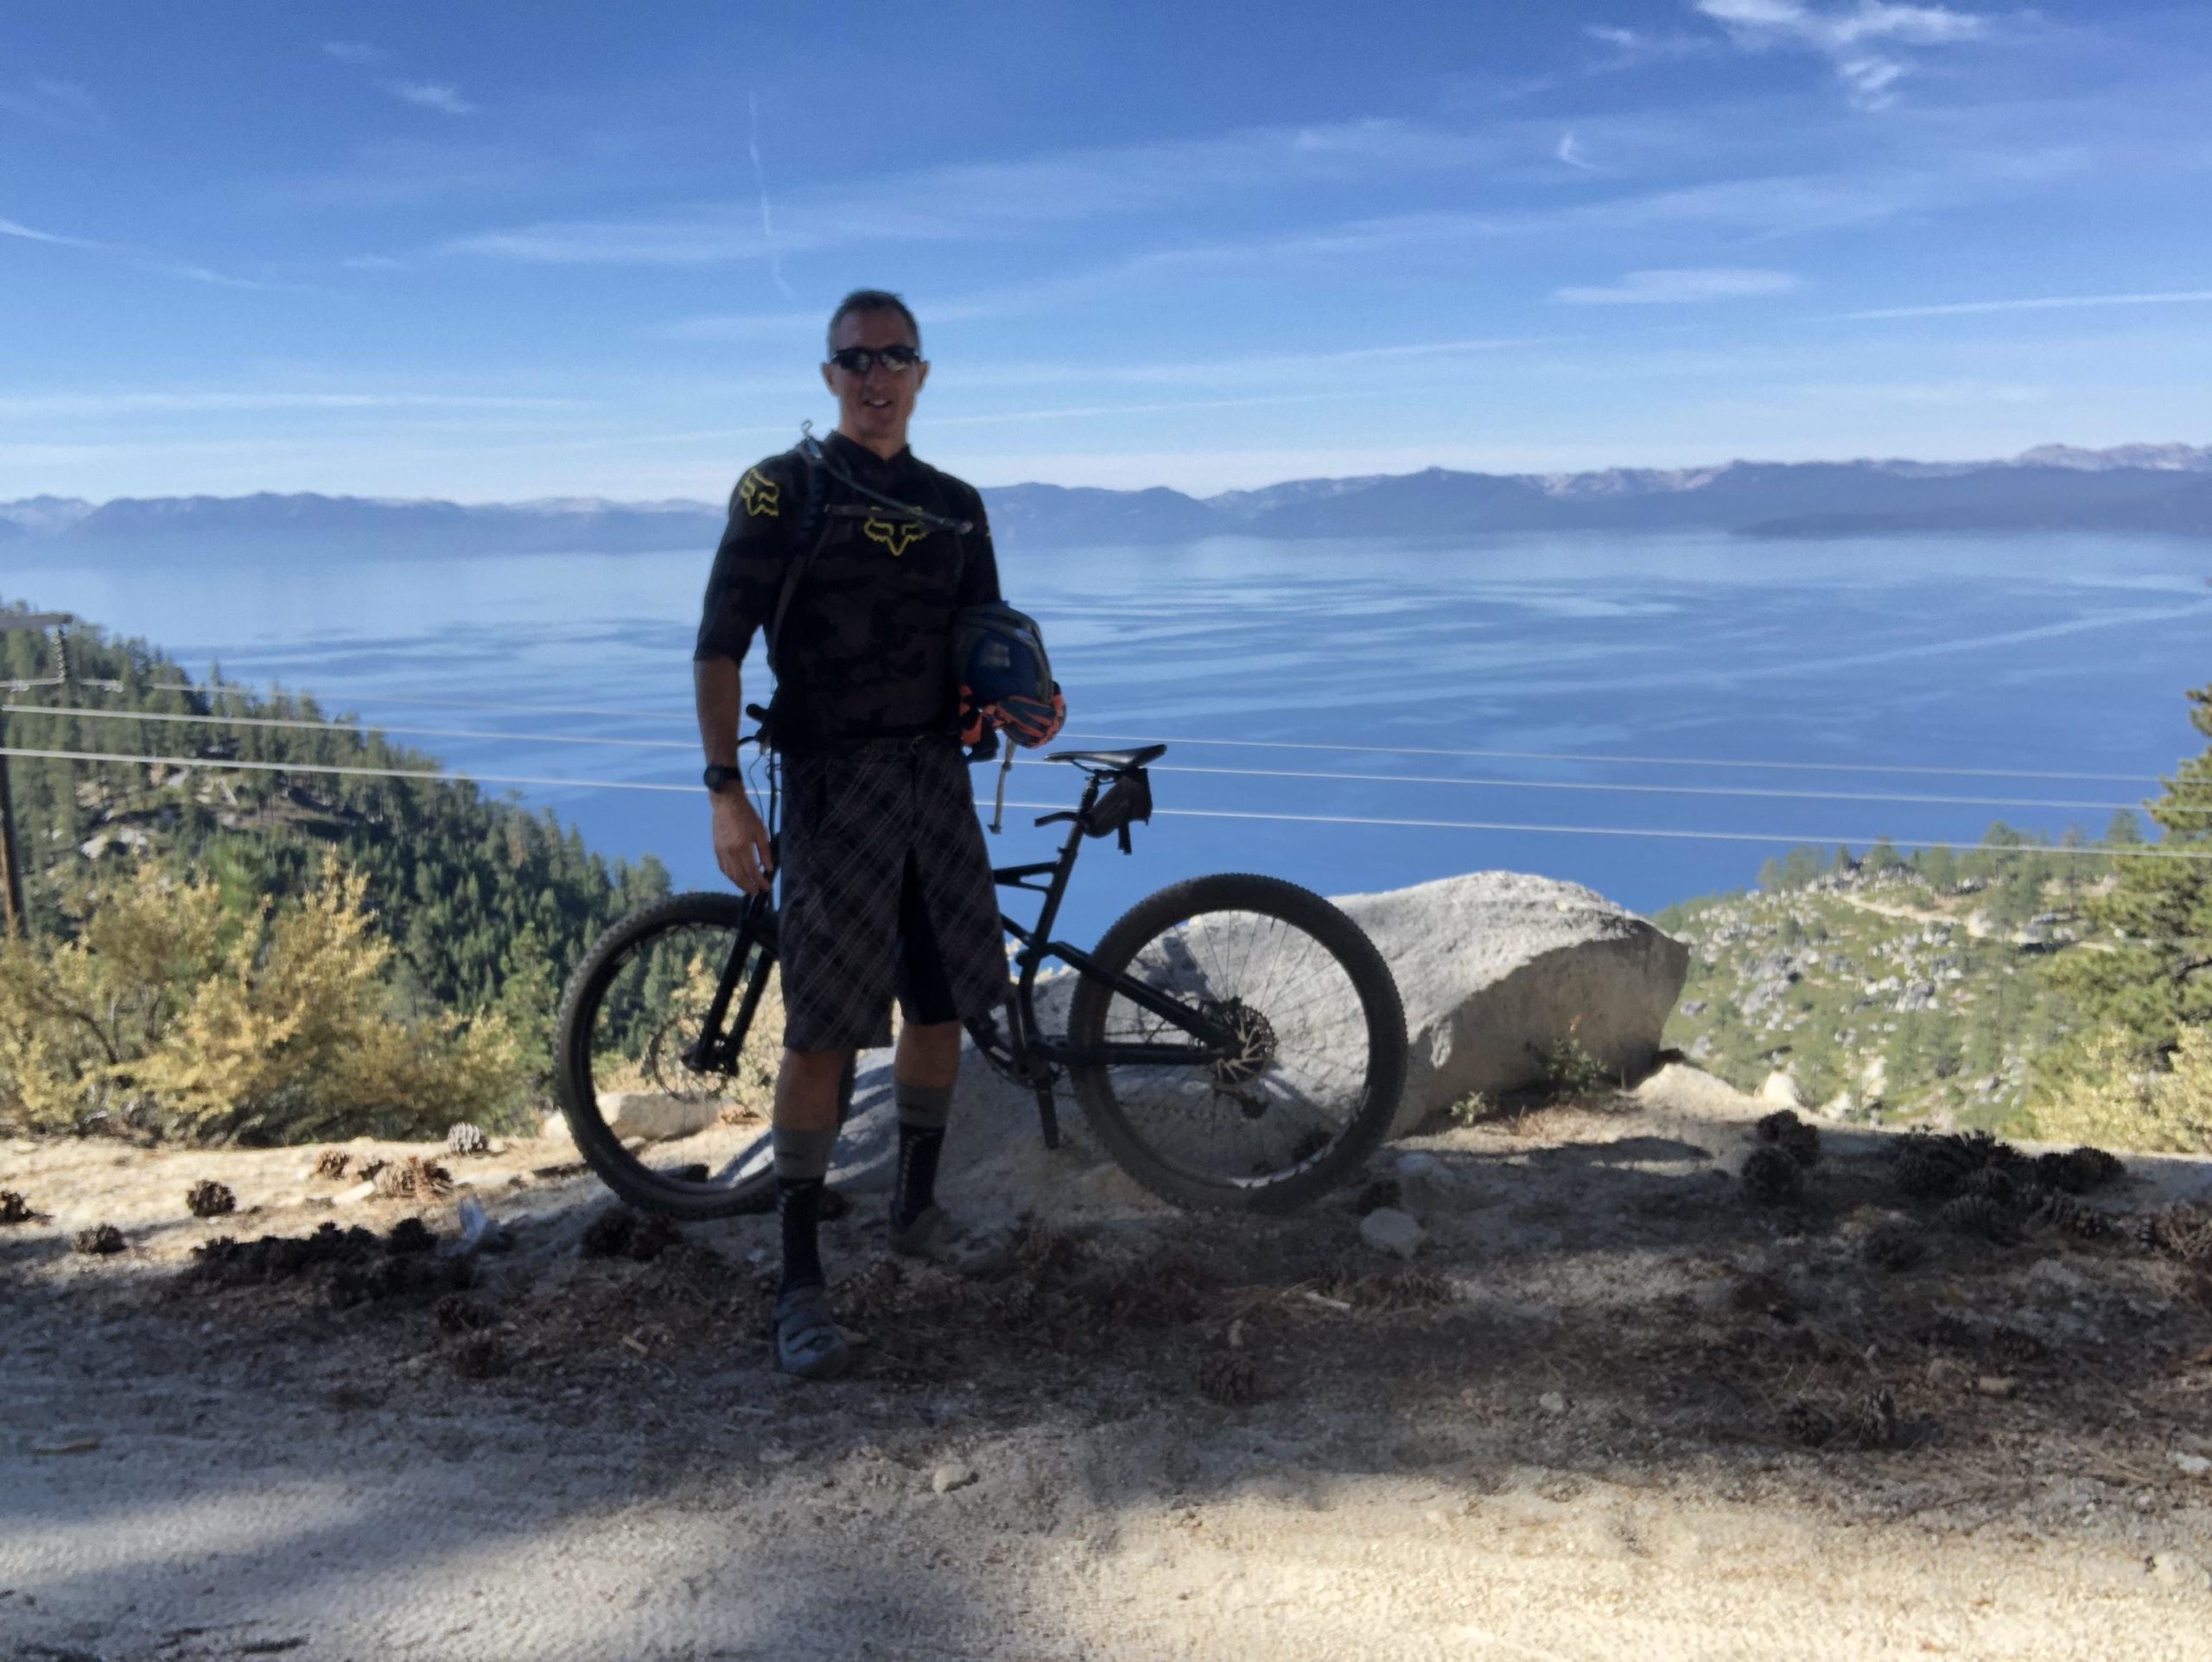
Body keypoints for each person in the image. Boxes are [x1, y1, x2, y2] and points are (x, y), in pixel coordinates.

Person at [692, 289, 1059, 1380]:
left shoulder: (956, 504)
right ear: (828, 377)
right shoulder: (782, 489)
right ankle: (799, 1279)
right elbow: (718, 649)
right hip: (829, 780)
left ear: (923, 372)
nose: (876, 375)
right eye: (855, 359)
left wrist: (1026, 700)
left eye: (895, 356)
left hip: (932, 779)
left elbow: (985, 641)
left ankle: (914, 1210)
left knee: (942, 998)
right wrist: (724, 791)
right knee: (820, 1030)